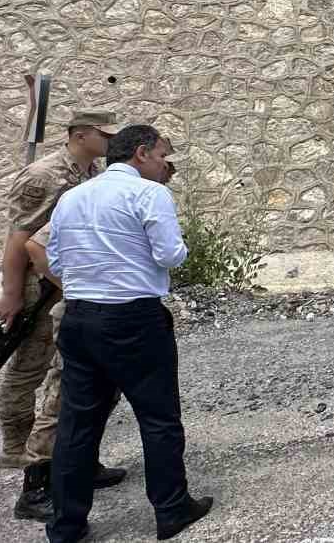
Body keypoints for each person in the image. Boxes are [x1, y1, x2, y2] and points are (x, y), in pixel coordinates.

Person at [44, 125, 214, 543]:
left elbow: (55, 260)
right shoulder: (150, 194)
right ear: (141, 153)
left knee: (77, 424)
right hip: (133, 318)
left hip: (79, 318)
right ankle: (171, 509)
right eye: (162, 156)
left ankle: (65, 526)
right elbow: (170, 253)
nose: (165, 165)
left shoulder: (72, 197)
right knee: (158, 419)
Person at [0, 109, 127, 521]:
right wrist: (12, 293)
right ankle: (26, 464)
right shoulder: (43, 175)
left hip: (73, 283)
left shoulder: (94, 173)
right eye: (104, 135)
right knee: (35, 372)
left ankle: (77, 460)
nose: (109, 141)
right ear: (80, 134)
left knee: (82, 375)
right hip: (42, 286)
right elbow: (19, 239)